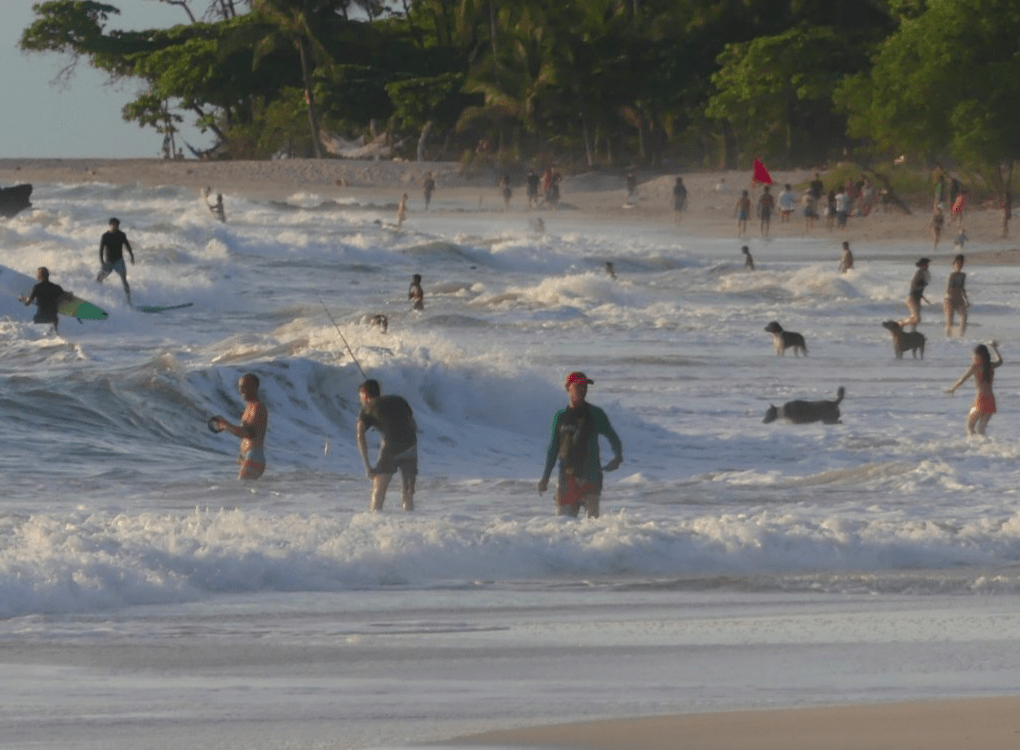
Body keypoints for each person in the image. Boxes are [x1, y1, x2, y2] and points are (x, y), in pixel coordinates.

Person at [537, 371, 623, 519]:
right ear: (568, 388)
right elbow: (553, 449)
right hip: (567, 478)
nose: (583, 390)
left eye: (585, 386)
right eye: (578, 386)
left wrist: (618, 455)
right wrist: (545, 477)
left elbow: (612, 436)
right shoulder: (560, 417)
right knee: (564, 525)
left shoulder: (595, 414)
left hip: (591, 476)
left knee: (592, 528)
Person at [356, 379, 418, 512]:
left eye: (361, 397)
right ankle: (410, 522)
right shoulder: (399, 400)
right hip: (411, 445)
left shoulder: (368, 408)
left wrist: (368, 467)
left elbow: (360, 435)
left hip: (391, 448)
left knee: (378, 490)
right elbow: (413, 424)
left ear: (365, 394)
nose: (361, 400)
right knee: (408, 492)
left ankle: (375, 518)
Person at [210, 373, 268, 480]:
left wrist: (225, 425)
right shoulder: (248, 407)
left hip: (254, 456)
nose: (241, 390)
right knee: (245, 492)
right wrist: (242, 453)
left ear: (254, 387)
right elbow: (247, 433)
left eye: (245, 387)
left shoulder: (258, 407)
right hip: (248, 456)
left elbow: (248, 433)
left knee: (243, 491)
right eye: (240, 387)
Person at [945, 341, 1003, 436]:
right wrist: (994, 348)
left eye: (974, 355)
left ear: (978, 355)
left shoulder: (975, 367)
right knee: (981, 429)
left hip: (980, 399)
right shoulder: (990, 365)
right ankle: (984, 447)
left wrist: (953, 389)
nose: (973, 356)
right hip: (991, 399)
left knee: (970, 426)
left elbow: (962, 379)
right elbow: (1000, 361)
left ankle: (974, 446)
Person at [20, 266, 69, 333]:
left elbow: (27, 303)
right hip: (53, 318)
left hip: (40, 319)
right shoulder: (56, 287)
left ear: (39, 276)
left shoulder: (37, 288)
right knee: (55, 322)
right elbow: (66, 298)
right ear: (48, 275)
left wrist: (23, 299)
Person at [97, 217, 135, 304]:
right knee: (99, 279)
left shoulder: (121, 235)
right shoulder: (105, 236)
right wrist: (102, 262)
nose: (114, 227)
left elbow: (127, 246)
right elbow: (101, 250)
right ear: (109, 225)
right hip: (108, 262)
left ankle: (129, 300)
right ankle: (98, 297)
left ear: (118, 226)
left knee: (124, 279)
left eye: (116, 225)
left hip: (119, 261)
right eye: (112, 225)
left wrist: (132, 256)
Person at [900, 257, 931, 331]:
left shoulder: (925, 273)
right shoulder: (918, 273)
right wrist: (921, 286)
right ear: (922, 265)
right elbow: (913, 286)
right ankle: (901, 323)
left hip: (918, 298)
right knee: (917, 318)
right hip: (912, 297)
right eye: (925, 264)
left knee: (914, 317)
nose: (927, 266)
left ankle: (913, 331)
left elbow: (921, 287)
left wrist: (922, 296)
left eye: (927, 264)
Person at [943, 253, 969, 337]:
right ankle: (948, 338)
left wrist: (966, 300)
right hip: (949, 299)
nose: (959, 265)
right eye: (957, 263)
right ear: (954, 265)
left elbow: (962, 288)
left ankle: (961, 335)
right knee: (950, 320)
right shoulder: (952, 275)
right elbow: (948, 289)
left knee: (964, 316)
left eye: (961, 264)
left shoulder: (963, 275)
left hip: (959, 299)